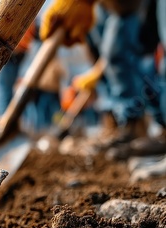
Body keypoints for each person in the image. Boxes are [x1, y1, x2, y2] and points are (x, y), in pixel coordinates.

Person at [41, 0, 161, 153]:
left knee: (118, 51)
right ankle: (117, 122)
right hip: (103, 4)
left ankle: (134, 124)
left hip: (123, 5)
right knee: (100, 46)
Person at [0, 22, 36, 117]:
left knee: (3, 89)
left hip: (13, 48)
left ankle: (3, 118)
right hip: (16, 48)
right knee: (5, 89)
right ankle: (4, 118)